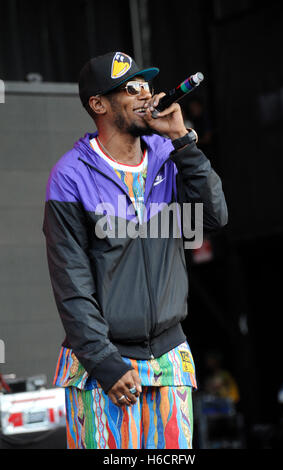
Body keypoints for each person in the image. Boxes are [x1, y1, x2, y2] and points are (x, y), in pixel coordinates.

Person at [43, 51, 228, 449]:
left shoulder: (169, 156)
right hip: (103, 364)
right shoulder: (71, 176)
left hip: (169, 357)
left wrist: (182, 140)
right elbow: (71, 283)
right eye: (132, 88)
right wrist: (104, 361)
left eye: (146, 85)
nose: (146, 95)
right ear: (99, 104)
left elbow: (213, 218)